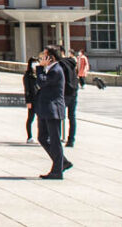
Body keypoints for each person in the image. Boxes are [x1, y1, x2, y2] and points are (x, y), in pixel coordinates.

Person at [35, 45, 72, 179]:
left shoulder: (56, 70)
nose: (41, 58)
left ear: (51, 58)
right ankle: (63, 162)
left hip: (53, 109)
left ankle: (57, 170)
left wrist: (39, 68)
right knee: (42, 137)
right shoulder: (49, 70)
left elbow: (42, 82)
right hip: (45, 108)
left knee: (54, 140)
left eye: (44, 56)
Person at [60, 47, 79, 147]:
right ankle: (71, 140)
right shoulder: (72, 62)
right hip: (74, 92)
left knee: (58, 116)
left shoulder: (60, 64)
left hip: (64, 93)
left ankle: (56, 137)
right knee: (72, 117)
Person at [23, 57, 38, 143]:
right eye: (34, 63)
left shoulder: (39, 73)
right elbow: (27, 90)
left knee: (41, 119)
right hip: (32, 99)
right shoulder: (27, 75)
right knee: (30, 118)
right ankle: (29, 136)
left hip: (39, 99)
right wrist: (28, 101)